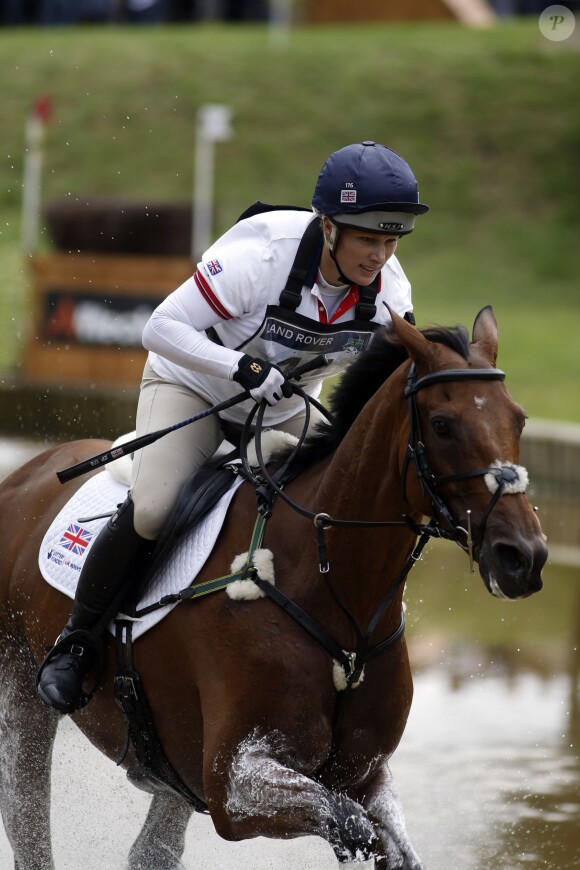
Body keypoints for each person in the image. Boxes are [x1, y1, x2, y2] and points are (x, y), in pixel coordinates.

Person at [36, 140, 429, 713]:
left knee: (313, 516)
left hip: (284, 407)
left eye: (391, 240)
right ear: (327, 227)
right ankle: (75, 642)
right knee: (154, 507)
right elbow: (160, 327)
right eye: (368, 239)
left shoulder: (390, 289)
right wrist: (240, 367)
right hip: (192, 385)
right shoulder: (260, 259)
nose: (380, 256)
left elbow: (397, 379)